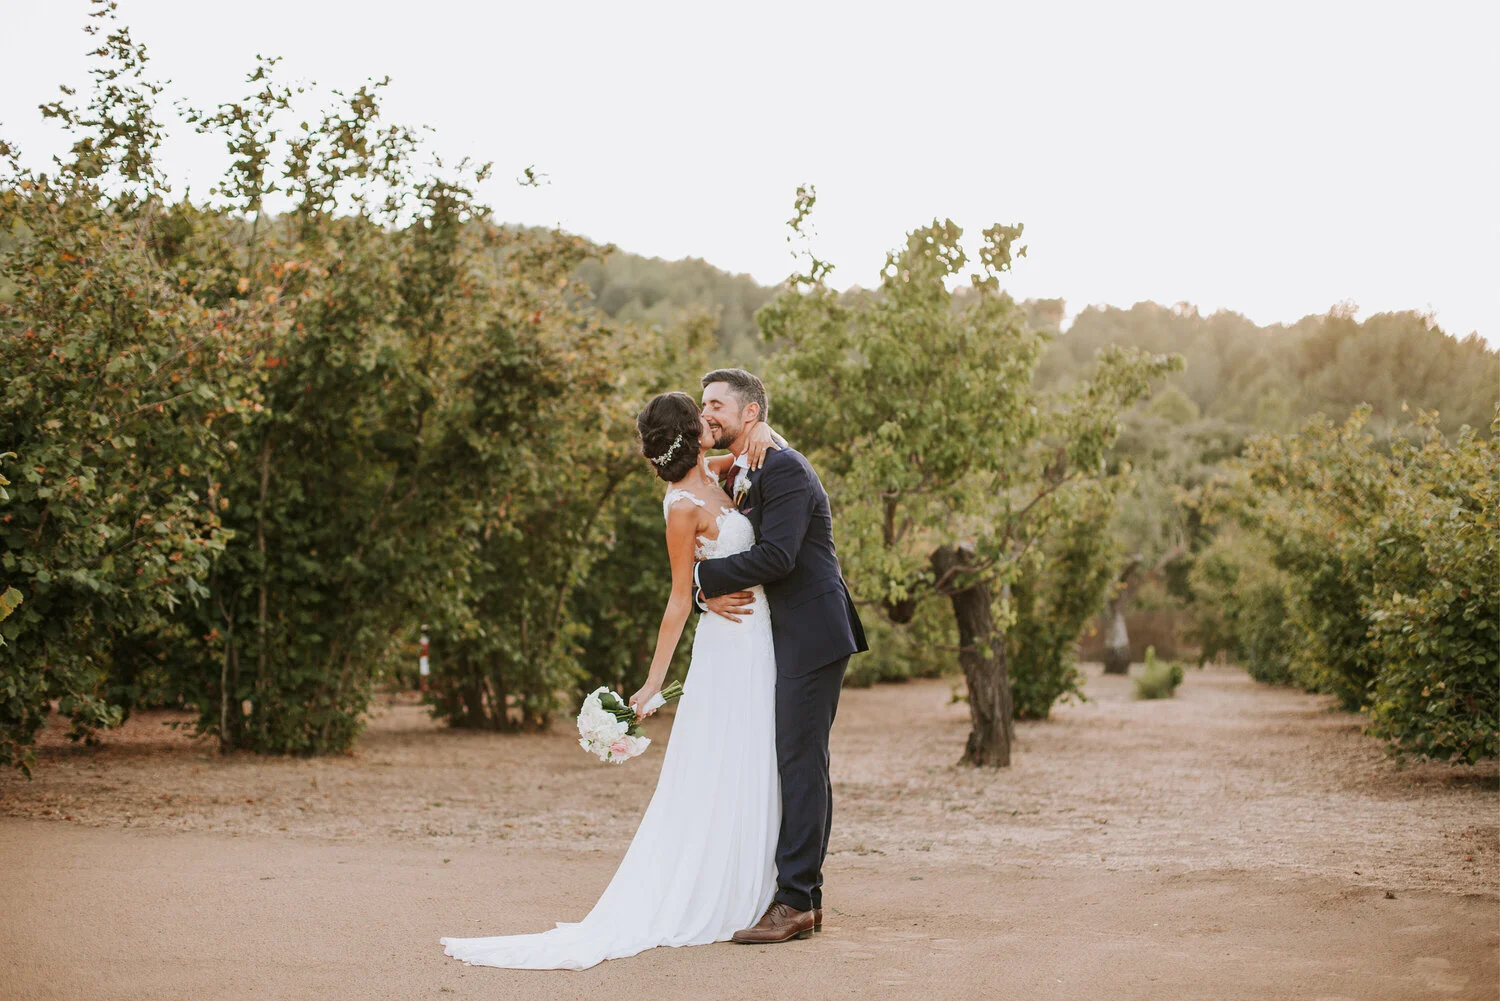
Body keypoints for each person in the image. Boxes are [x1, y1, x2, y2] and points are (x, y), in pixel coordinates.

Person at [438, 389, 786, 970]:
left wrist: (767, 436)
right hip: (727, 647)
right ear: (690, 434)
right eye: (701, 419)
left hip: (759, 638)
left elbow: (760, 459)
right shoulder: (680, 505)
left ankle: (758, 879)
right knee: (720, 760)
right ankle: (722, 890)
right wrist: (654, 681)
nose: (710, 423)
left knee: (753, 756)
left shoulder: (720, 470)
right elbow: (677, 597)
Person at [693, 368, 867, 944]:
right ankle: (802, 897)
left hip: (813, 632)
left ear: (750, 413)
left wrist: (700, 576)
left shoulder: (784, 466)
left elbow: (777, 558)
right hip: (782, 634)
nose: (707, 413)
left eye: (717, 404)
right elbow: (689, 475)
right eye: (702, 404)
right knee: (798, 760)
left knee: (799, 760)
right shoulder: (747, 465)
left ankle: (795, 900)